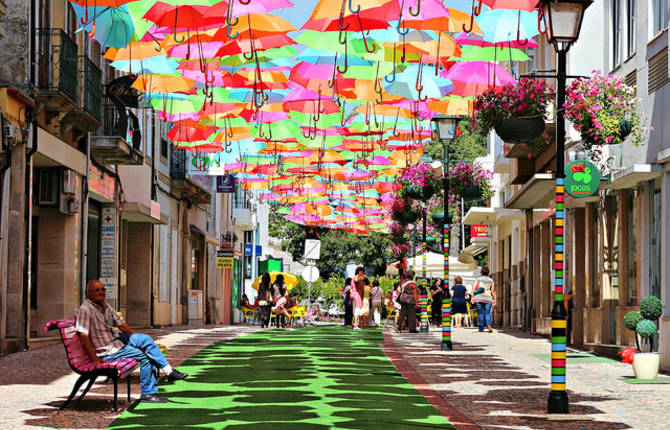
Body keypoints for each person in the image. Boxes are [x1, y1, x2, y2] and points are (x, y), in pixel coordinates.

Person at [76, 280, 188, 403]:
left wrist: (136, 340)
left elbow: (122, 326)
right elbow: (83, 336)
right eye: (97, 290)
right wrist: (94, 359)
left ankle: (168, 371)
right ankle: (148, 394)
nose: (101, 292)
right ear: (88, 293)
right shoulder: (85, 310)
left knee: (145, 340)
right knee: (144, 357)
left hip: (116, 339)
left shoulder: (106, 306)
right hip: (107, 350)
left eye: (103, 289)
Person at [472, 267, 495, 333]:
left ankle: (481, 328)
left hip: (479, 298)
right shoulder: (491, 280)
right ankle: (489, 325)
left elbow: (473, 289)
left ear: (481, 272)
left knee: (480, 313)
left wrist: (472, 297)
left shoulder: (478, 279)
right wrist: (493, 299)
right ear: (488, 273)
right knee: (487, 313)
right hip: (488, 298)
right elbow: (492, 291)